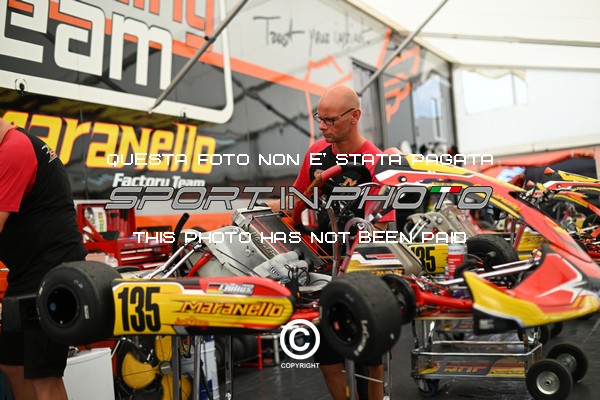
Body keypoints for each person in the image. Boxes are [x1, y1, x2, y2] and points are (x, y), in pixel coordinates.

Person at [270, 85, 393, 399]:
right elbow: (295, 200)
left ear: (355, 116)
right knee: (327, 355)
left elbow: (380, 226)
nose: (322, 126)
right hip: (321, 268)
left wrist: (356, 267)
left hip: (361, 271)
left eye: (330, 120)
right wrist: (260, 210)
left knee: (369, 354)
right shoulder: (316, 153)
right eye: (319, 118)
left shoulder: (375, 162)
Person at [0, 118, 87, 400]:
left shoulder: (15, 149)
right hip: (26, 272)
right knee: (13, 365)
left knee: (43, 374)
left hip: (53, 272)